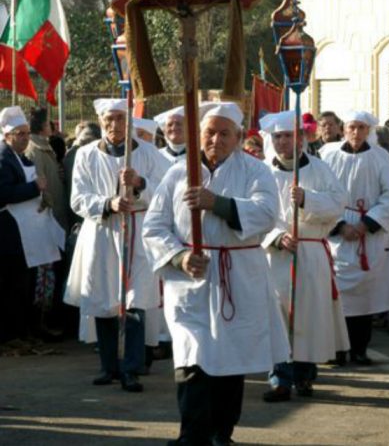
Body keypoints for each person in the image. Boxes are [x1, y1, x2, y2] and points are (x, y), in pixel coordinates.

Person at [142, 102, 289, 446]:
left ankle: (222, 432)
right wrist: (179, 258)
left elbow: (267, 213)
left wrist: (217, 203)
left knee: (230, 359)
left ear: (238, 137)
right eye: (210, 132)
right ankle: (191, 435)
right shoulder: (178, 173)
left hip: (238, 277)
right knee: (192, 358)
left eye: (225, 134)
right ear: (199, 135)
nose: (216, 140)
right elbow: (154, 226)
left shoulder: (256, 171)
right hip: (192, 280)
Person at [64, 98, 169, 393]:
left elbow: (166, 192)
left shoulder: (149, 153)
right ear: (101, 121)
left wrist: (140, 183)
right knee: (104, 297)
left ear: (130, 122)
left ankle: (131, 368)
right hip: (101, 232)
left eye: (121, 119)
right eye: (109, 120)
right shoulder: (86, 155)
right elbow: (78, 199)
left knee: (134, 301)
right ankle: (108, 365)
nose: (115, 126)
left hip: (137, 230)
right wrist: (108, 203)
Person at [259, 110, 350, 402]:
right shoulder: (262, 172)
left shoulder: (319, 170)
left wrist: (307, 199)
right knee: (278, 315)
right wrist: (275, 236)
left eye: (288, 136)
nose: (283, 141)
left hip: (310, 250)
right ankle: (280, 378)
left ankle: (305, 375)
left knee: (308, 316)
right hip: (275, 256)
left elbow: (338, 204)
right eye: (278, 137)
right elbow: (254, 213)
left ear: (300, 138)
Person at [320, 111, 389, 365]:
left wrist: (365, 225)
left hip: (369, 235)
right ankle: (335, 349)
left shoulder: (380, 157)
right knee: (335, 295)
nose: (356, 133)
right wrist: (340, 224)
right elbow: (319, 193)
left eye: (362, 128)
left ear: (369, 131)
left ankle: (359, 348)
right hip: (337, 234)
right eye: (352, 127)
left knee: (365, 297)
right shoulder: (327, 154)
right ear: (344, 129)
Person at [0, 106, 62, 344]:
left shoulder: (20, 157)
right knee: (12, 286)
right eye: (21, 134)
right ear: (7, 136)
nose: (26, 138)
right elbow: (3, 193)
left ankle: (24, 330)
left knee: (23, 285)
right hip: (9, 235)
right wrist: (34, 188)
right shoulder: (3, 159)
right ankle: (11, 335)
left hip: (26, 235)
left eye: (26, 133)